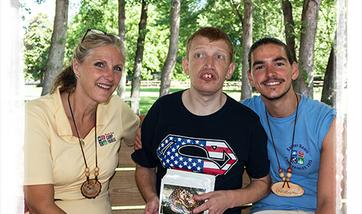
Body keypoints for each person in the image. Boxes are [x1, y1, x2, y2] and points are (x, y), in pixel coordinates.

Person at [131, 27, 271, 214]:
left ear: (229, 70)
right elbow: (144, 168)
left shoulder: (246, 122)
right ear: (186, 65)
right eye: (199, 55)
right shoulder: (162, 111)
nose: (209, 64)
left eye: (219, 57)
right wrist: (151, 197)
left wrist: (231, 199)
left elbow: (262, 182)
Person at [24, 29, 140, 214]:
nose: (110, 76)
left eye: (117, 68)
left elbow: (145, 133)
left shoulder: (116, 108)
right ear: (77, 67)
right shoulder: (37, 114)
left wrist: (145, 134)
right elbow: (39, 203)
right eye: (100, 65)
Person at [243, 37, 336, 213]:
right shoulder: (244, 114)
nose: (270, 73)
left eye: (278, 64)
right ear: (251, 77)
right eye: (260, 67)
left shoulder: (326, 121)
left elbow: (328, 201)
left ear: (293, 70)